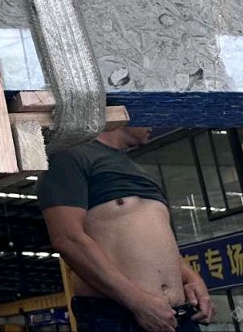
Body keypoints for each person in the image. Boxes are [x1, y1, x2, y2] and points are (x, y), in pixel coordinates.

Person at [39, 123, 214, 332]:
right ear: (122, 113)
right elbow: (67, 238)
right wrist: (136, 301)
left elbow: (155, 243)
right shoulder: (68, 156)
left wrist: (192, 279)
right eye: (147, 113)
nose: (154, 122)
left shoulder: (136, 168)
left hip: (176, 316)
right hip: (120, 316)